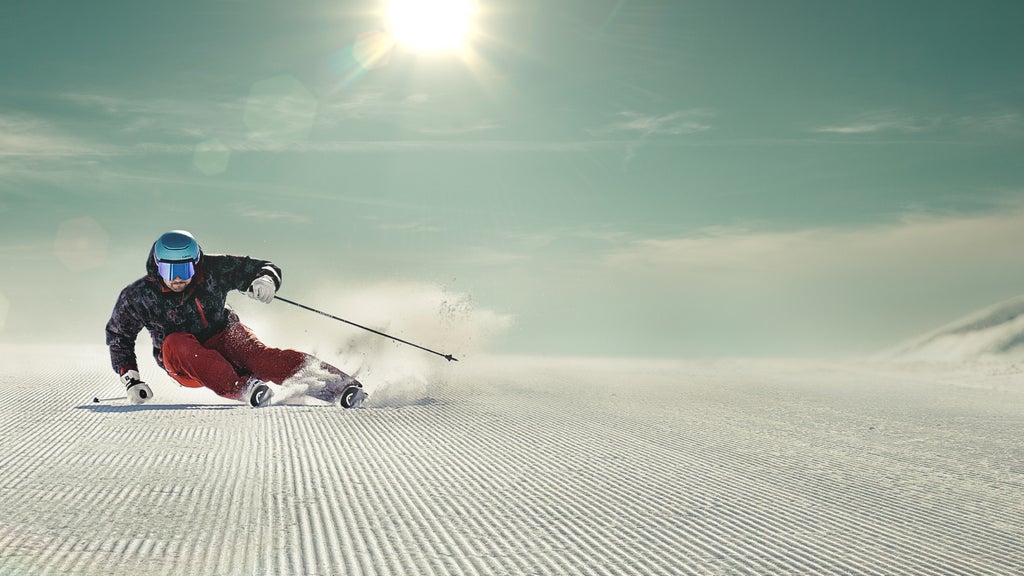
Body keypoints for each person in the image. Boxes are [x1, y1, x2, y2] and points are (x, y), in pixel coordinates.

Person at [105, 230, 367, 408]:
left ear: (196, 263)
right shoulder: (139, 295)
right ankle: (244, 388)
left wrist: (264, 281)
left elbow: (263, 267)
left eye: (183, 268)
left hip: (223, 334)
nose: (176, 278)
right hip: (184, 360)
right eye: (168, 269)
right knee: (176, 342)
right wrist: (131, 378)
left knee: (260, 358)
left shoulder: (213, 270)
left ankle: (340, 387)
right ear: (156, 266)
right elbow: (120, 336)